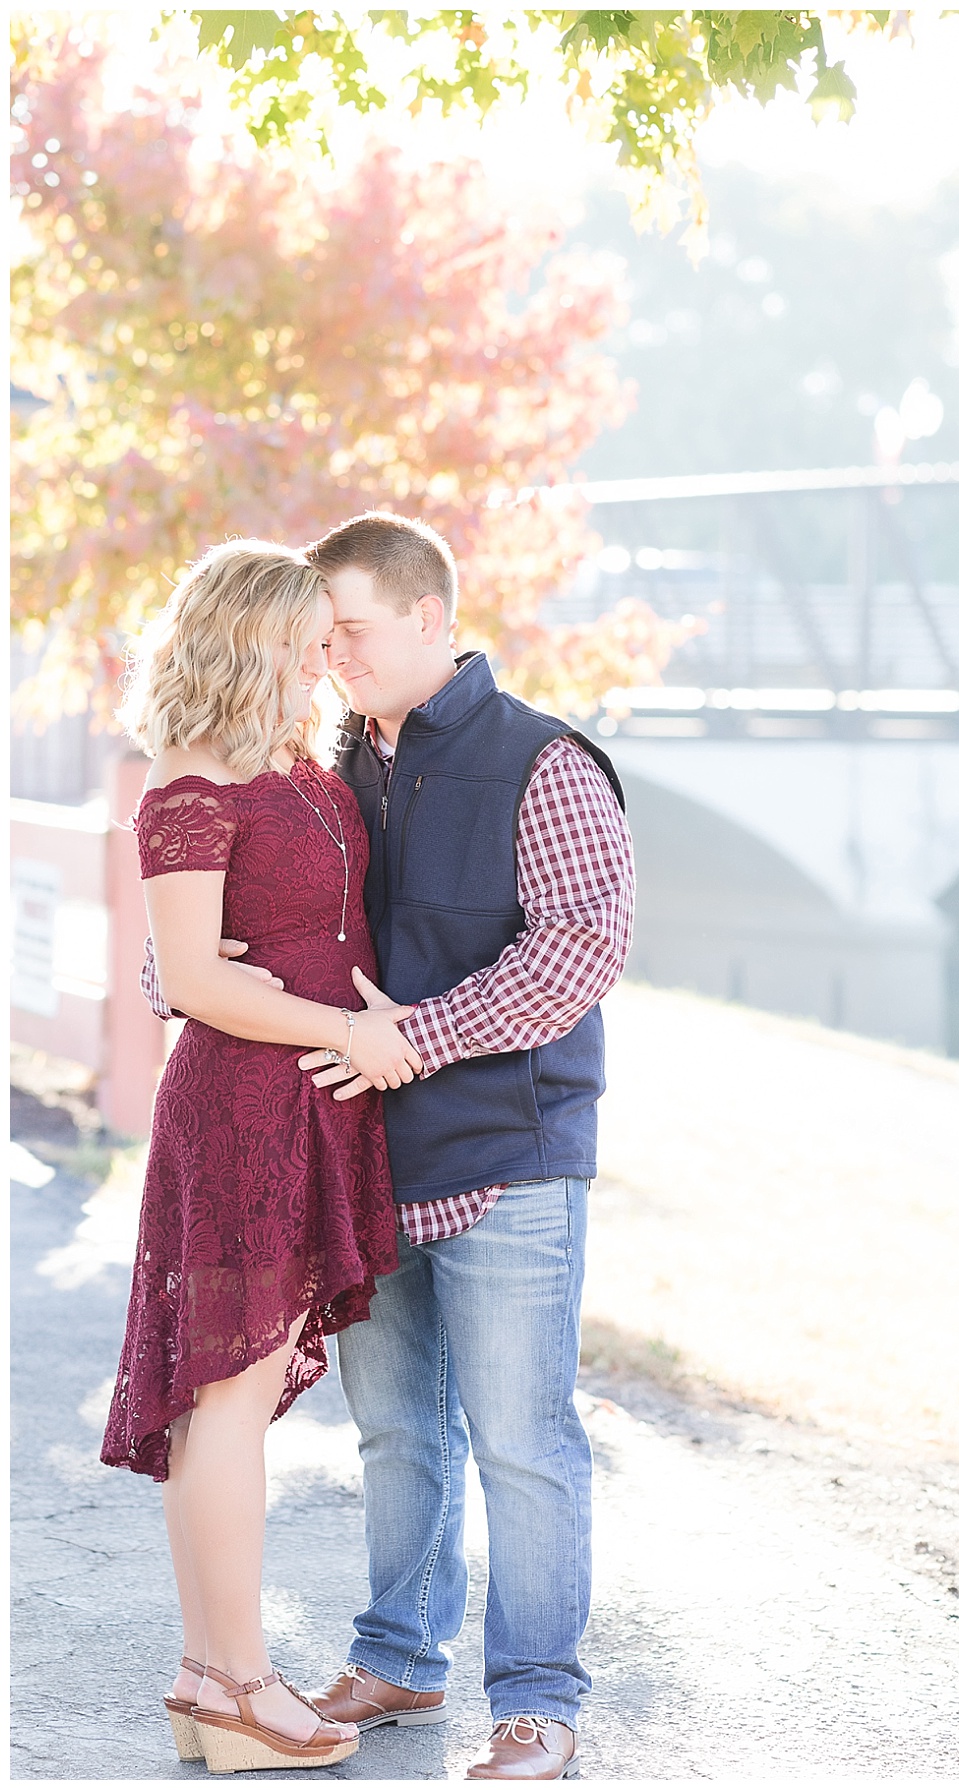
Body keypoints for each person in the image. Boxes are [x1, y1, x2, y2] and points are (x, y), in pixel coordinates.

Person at [154, 512, 636, 1779]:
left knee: (521, 1438)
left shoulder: (545, 761)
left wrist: (413, 1036)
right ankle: (402, 1654)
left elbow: (579, 949)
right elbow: (241, 897)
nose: (333, 656)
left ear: (430, 617)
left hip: (505, 1148)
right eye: (318, 636)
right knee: (397, 1433)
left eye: (351, 631)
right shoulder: (328, 758)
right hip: (355, 1151)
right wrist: (184, 974)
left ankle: (536, 1701)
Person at [103, 540, 425, 1775]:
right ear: (248, 638)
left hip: (311, 1105)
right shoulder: (187, 785)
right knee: (225, 1399)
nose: (320, 660)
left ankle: (207, 1678)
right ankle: (238, 1680)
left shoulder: (292, 761)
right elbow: (190, 979)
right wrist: (350, 1027)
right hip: (242, 1109)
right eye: (301, 640)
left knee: (228, 1402)